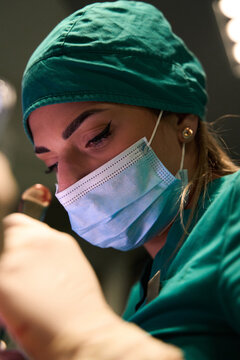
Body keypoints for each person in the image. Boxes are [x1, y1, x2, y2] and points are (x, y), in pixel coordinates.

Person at [0, 1, 239, 359]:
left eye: (96, 136)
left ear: (181, 120)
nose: (71, 182)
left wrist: (86, 341)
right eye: (51, 164)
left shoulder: (233, 213)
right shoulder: (144, 290)